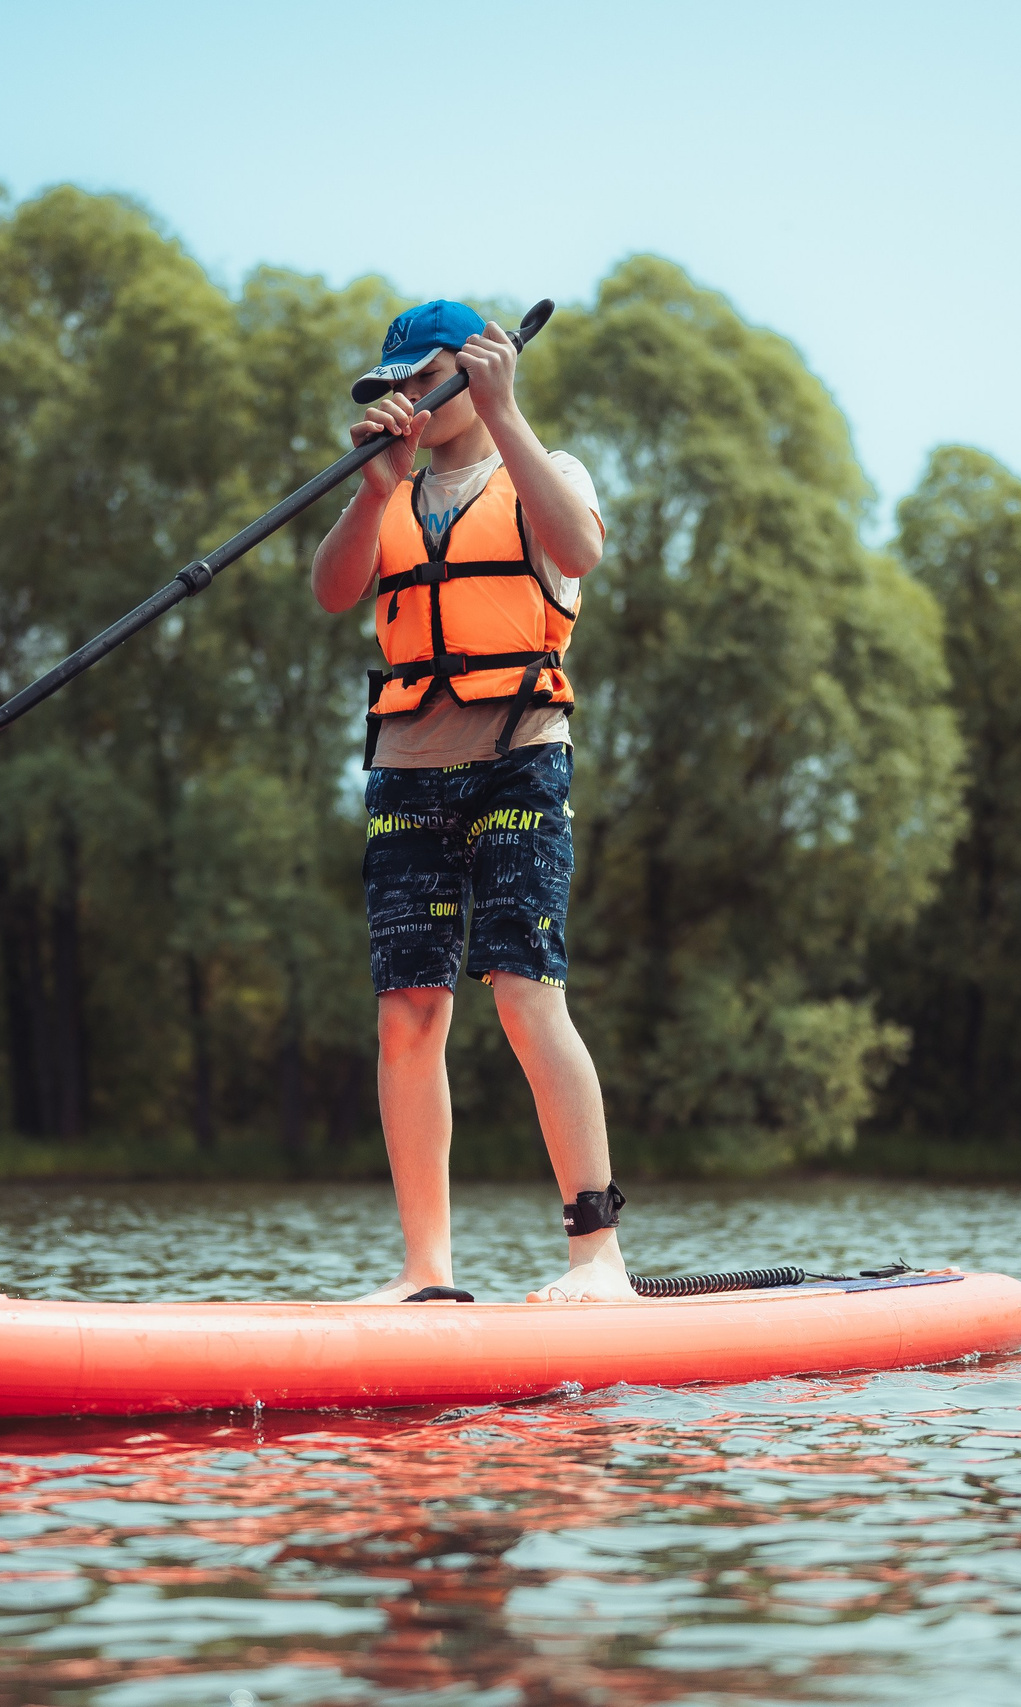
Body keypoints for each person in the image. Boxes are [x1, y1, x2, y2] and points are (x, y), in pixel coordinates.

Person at [308, 300, 637, 1305]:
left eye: (425, 375)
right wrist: (372, 491)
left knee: (524, 990)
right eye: (393, 382)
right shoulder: (391, 490)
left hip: (517, 757)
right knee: (407, 1013)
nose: (407, 395)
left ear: (473, 368)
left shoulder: (547, 466)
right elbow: (333, 590)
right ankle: (426, 1272)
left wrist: (504, 412)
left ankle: (597, 1259)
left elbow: (578, 550)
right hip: (407, 767)